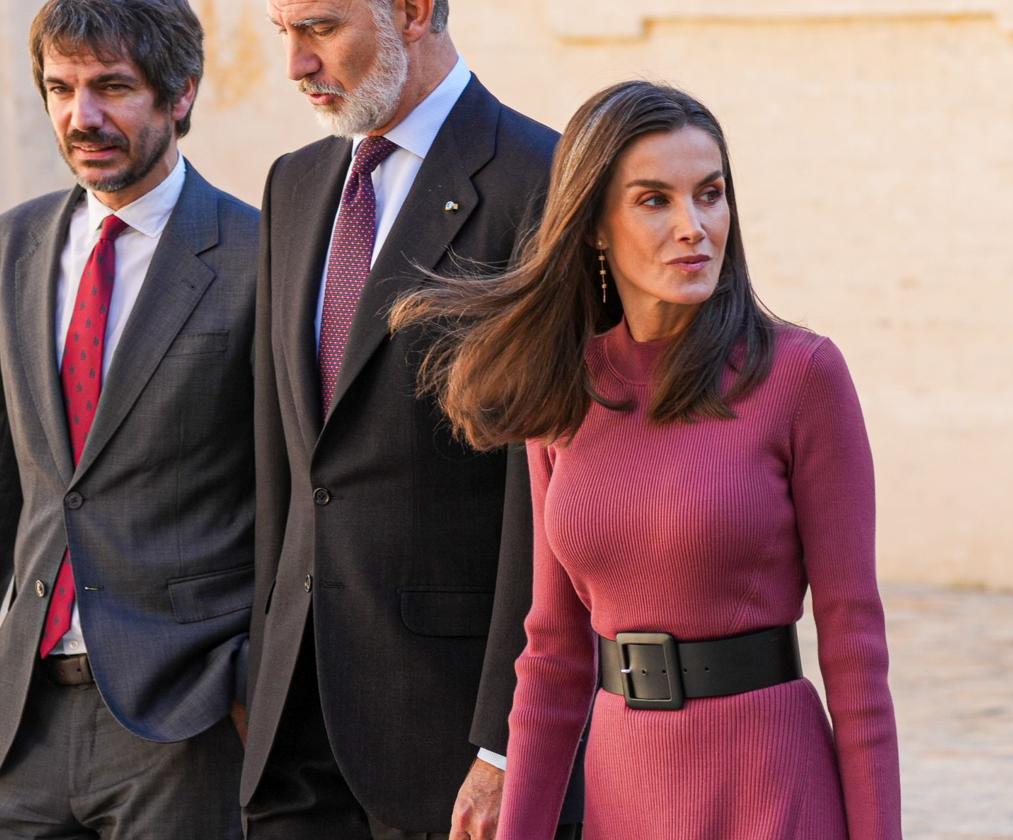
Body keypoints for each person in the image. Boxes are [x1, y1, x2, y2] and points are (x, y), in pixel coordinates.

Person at [389, 81, 904, 838]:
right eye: (654, 200)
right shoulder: (562, 391)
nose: (694, 226)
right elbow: (555, 655)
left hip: (771, 784)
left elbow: (855, 646)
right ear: (595, 226)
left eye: (711, 194)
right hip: (625, 788)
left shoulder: (801, 375)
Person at [244, 1, 582, 838]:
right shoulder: (293, 183)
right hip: (295, 733)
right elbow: (284, 458)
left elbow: (543, 496)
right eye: (281, 32)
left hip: (446, 736)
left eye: (320, 28)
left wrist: (508, 742)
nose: (295, 64)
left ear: (412, 10)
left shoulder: (543, 181)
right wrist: (262, 665)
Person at [0, 0, 258, 836]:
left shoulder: (259, 257)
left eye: (113, 87)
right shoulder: (12, 249)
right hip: (21, 718)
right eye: (61, 89)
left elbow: (293, 492)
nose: (83, 117)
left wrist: (248, 682)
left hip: (182, 721)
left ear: (180, 94)